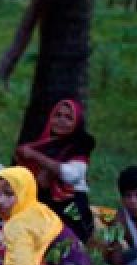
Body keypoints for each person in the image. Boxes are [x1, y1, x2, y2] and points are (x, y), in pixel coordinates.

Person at [0, 167, 95, 265]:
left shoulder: (18, 224)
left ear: (23, 192)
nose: (0, 201)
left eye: (9, 194)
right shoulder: (38, 209)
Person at [14, 99, 97, 242]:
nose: (61, 121)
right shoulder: (42, 144)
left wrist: (36, 156)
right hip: (43, 203)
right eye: (57, 115)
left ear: (77, 123)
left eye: (68, 117)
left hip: (71, 207)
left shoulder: (79, 145)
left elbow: (71, 175)